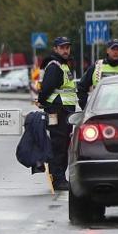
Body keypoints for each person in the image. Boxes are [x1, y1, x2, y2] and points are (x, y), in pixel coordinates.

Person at [36, 36, 80, 188]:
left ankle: (60, 177)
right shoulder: (55, 66)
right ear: (55, 49)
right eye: (62, 47)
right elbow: (46, 88)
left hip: (65, 111)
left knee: (63, 145)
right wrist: (42, 101)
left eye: (67, 47)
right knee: (58, 146)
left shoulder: (64, 65)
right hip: (57, 111)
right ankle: (58, 179)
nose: (66, 50)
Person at [82, 39, 118, 104]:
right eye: (113, 49)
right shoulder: (97, 66)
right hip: (100, 111)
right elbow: (81, 88)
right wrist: (85, 107)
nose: (115, 52)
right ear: (107, 50)